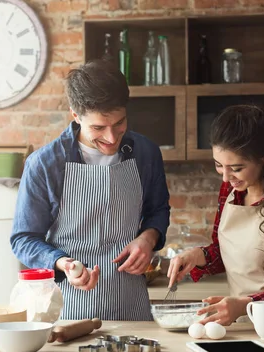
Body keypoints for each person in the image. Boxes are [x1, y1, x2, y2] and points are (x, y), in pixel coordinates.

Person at [11, 59, 170, 321]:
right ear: (75, 115)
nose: (111, 137)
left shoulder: (145, 153)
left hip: (130, 305)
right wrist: (64, 263)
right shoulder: (45, 164)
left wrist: (149, 238)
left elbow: (158, 210)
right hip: (65, 310)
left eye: (119, 123)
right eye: (98, 127)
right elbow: (24, 239)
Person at [167, 105, 264, 325]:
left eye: (236, 168)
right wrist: (197, 256)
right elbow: (230, 254)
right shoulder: (231, 192)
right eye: (218, 166)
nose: (225, 178)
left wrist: (243, 304)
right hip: (245, 323)